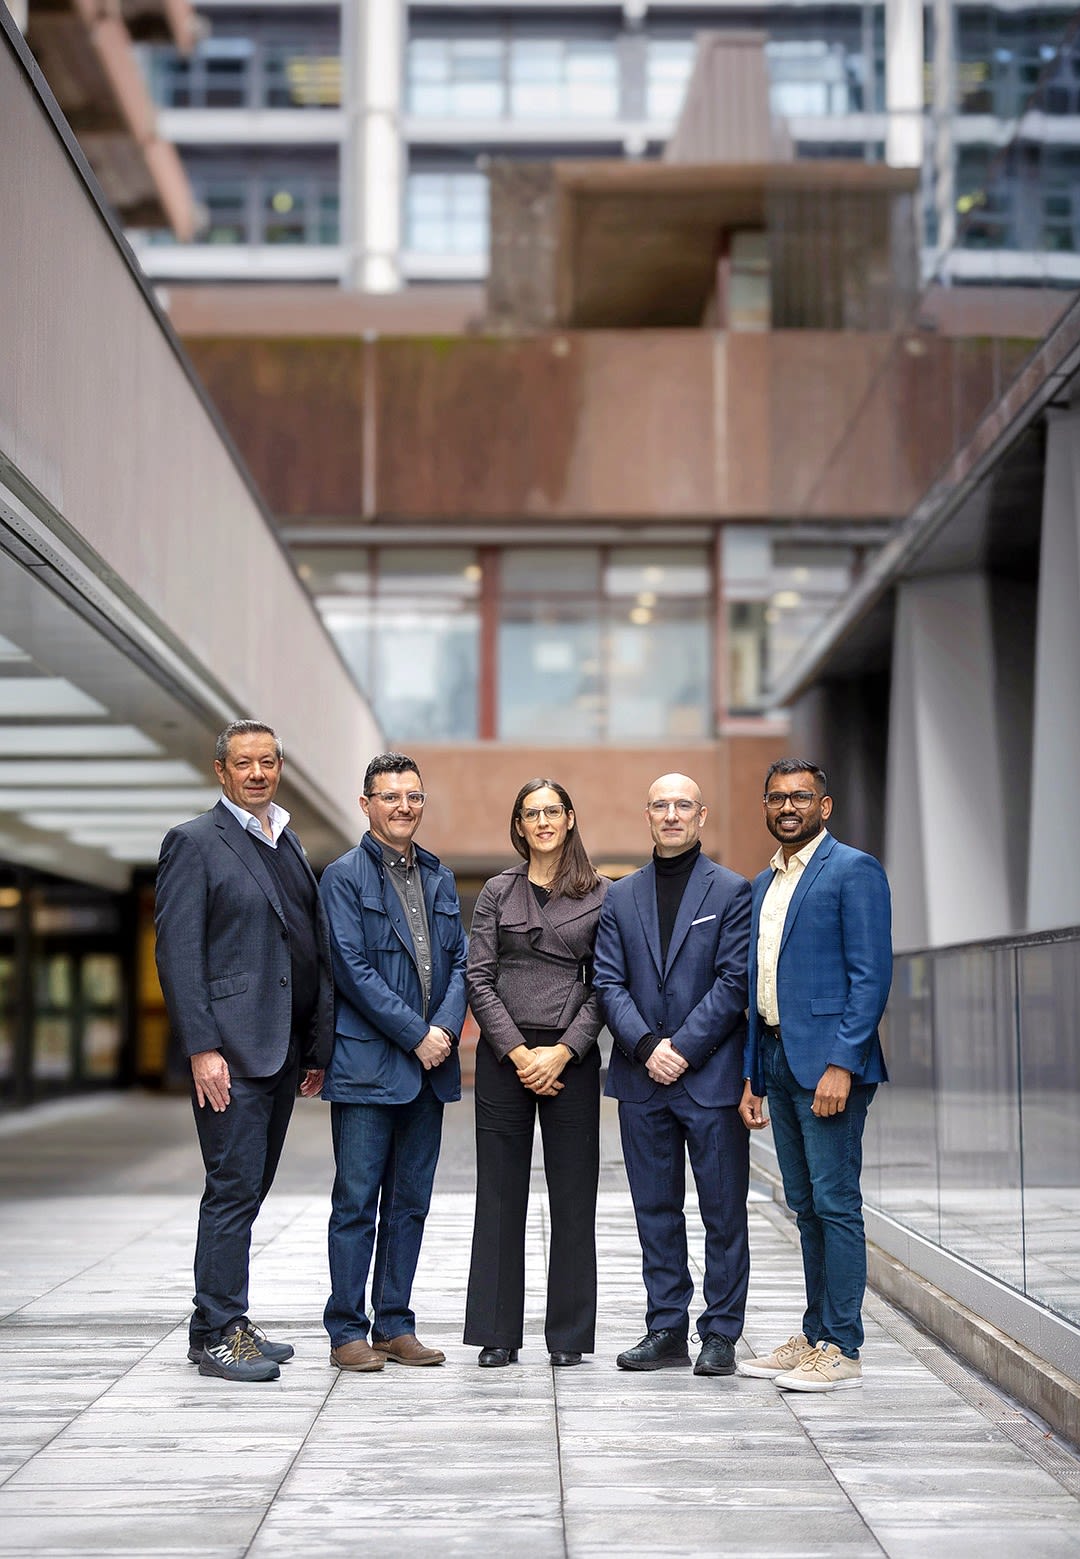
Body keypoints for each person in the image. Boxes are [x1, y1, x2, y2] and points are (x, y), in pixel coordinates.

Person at [155, 720, 333, 1383]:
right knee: (231, 1190)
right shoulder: (195, 842)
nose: (255, 772)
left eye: (266, 761)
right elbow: (176, 953)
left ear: (278, 767)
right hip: (230, 1052)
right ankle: (219, 1335)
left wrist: (313, 1044)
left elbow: (302, 947)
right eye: (242, 762)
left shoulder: (285, 843)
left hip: (279, 1051)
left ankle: (222, 1318)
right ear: (220, 770)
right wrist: (202, 1048)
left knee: (249, 1190)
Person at [738, 758, 891, 1393]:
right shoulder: (761, 884)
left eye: (800, 797)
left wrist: (842, 1064)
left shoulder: (853, 870)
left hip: (831, 1066)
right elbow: (757, 985)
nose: (787, 807)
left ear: (824, 807)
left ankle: (844, 1346)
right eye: (776, 798)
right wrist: (754, 1075)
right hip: (776, 1056)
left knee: (835, 1203)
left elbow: (871, 975)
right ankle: (816, 1331)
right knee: (802, 1206)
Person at [593, 773, 752, 1377]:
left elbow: (734, 982)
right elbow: (607, 981)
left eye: (682, 805)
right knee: (654, 1210)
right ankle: (666, 1328)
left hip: (707, 1079)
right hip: (641, 1079)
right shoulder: (620, 895)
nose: (672, 815)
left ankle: (720, 1333)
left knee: (722, 1211)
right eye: (661, 805)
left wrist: (680, 1048)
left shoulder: (733, 890)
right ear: (648, 816)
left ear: (701, 815)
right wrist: (644, 1044)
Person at [319, 752, 467, 1373]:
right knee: (356, 1201)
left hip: (429, 1071)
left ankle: (394, 1323)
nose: (403, 806)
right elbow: (351, 970)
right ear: (366, 804)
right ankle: (347, 1330)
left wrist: (446, 1030)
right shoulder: (343, 877)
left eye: (413, 796)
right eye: (390, 796)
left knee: (410, 1201)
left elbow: (461, 961)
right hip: (367, 1066)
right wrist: (417, 1034)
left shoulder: (439, 877)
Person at [464, 779, 609, 1369]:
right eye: (531, 813)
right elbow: (478, 977)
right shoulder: (497, 891)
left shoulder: (604, 894)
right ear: (519, 826)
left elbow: (606, 986)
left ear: (570, 819)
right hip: (507, 1059)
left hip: (570, 1060)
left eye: (553, 811)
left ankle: (569, 1335)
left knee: (574, 1197)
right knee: (499, 1196)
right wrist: (520, 1053)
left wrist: (566, 1051)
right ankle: (497, 1332)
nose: (543, 821)